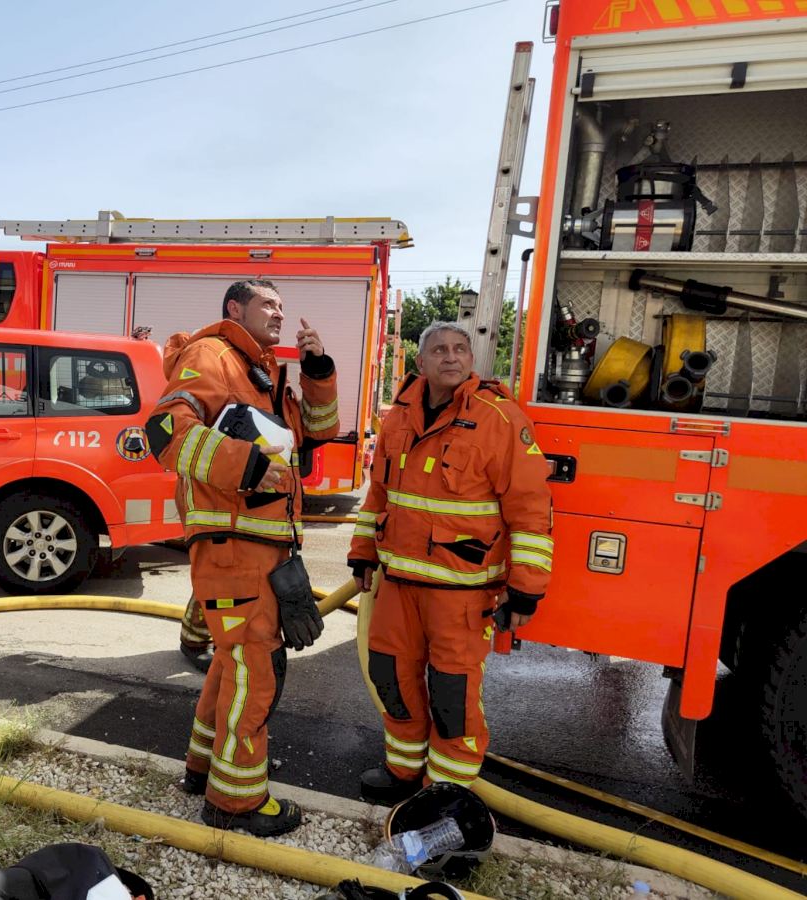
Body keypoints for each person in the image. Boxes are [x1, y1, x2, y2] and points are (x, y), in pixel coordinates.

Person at [144, 279, 340, 837]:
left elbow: (318, 433)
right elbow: (165, 431)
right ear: (236, 308)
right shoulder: (212, 355)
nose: (279, 313)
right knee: (257, 671)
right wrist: (247, 467)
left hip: (261, 546)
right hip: (236, 546)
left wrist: (318, 370)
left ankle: (204, 768)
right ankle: (235, 803)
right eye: (267, 304)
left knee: (234, 664)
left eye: (282, 306)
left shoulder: (263, 371)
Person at [348, 321, 553, 806]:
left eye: (460, 349)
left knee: (451, 695)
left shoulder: (500, 418)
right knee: (391, 678)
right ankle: (403, 771)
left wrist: (525, 589)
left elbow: (530, 508)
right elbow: (379, 495)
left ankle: (445, 792)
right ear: (421, 362)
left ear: (471, 360)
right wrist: (362, 552)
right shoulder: (399, 416)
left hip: (461, 593)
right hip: (398, 586)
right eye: (439, 350)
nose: (451, 356)